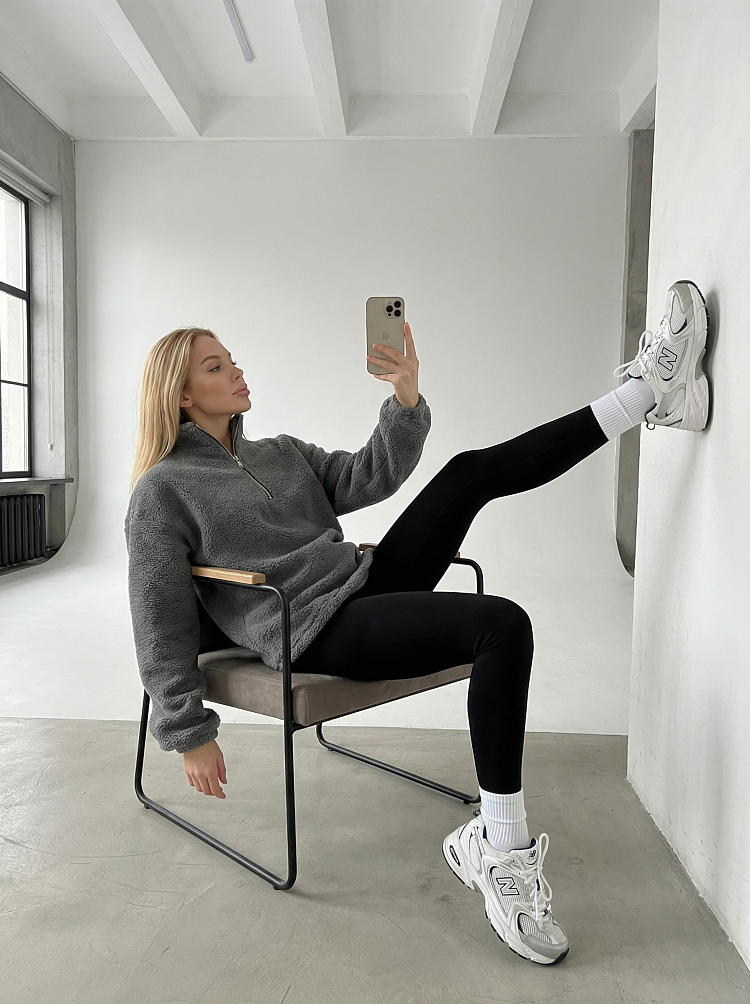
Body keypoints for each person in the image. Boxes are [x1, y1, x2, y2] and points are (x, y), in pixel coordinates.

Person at [125, 280, 709, 966]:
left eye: (231, 358)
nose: (236, 370)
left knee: (465, 474)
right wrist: (188, 732)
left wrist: (403, 401)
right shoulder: (163, 490)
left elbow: (365, 478)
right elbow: (158, 615)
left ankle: (645, 393)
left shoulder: (277, 452)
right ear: (182, 395)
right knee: (502, 625)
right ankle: (501, 848)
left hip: (364, 582)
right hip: (313, 628)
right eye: (216, 366)